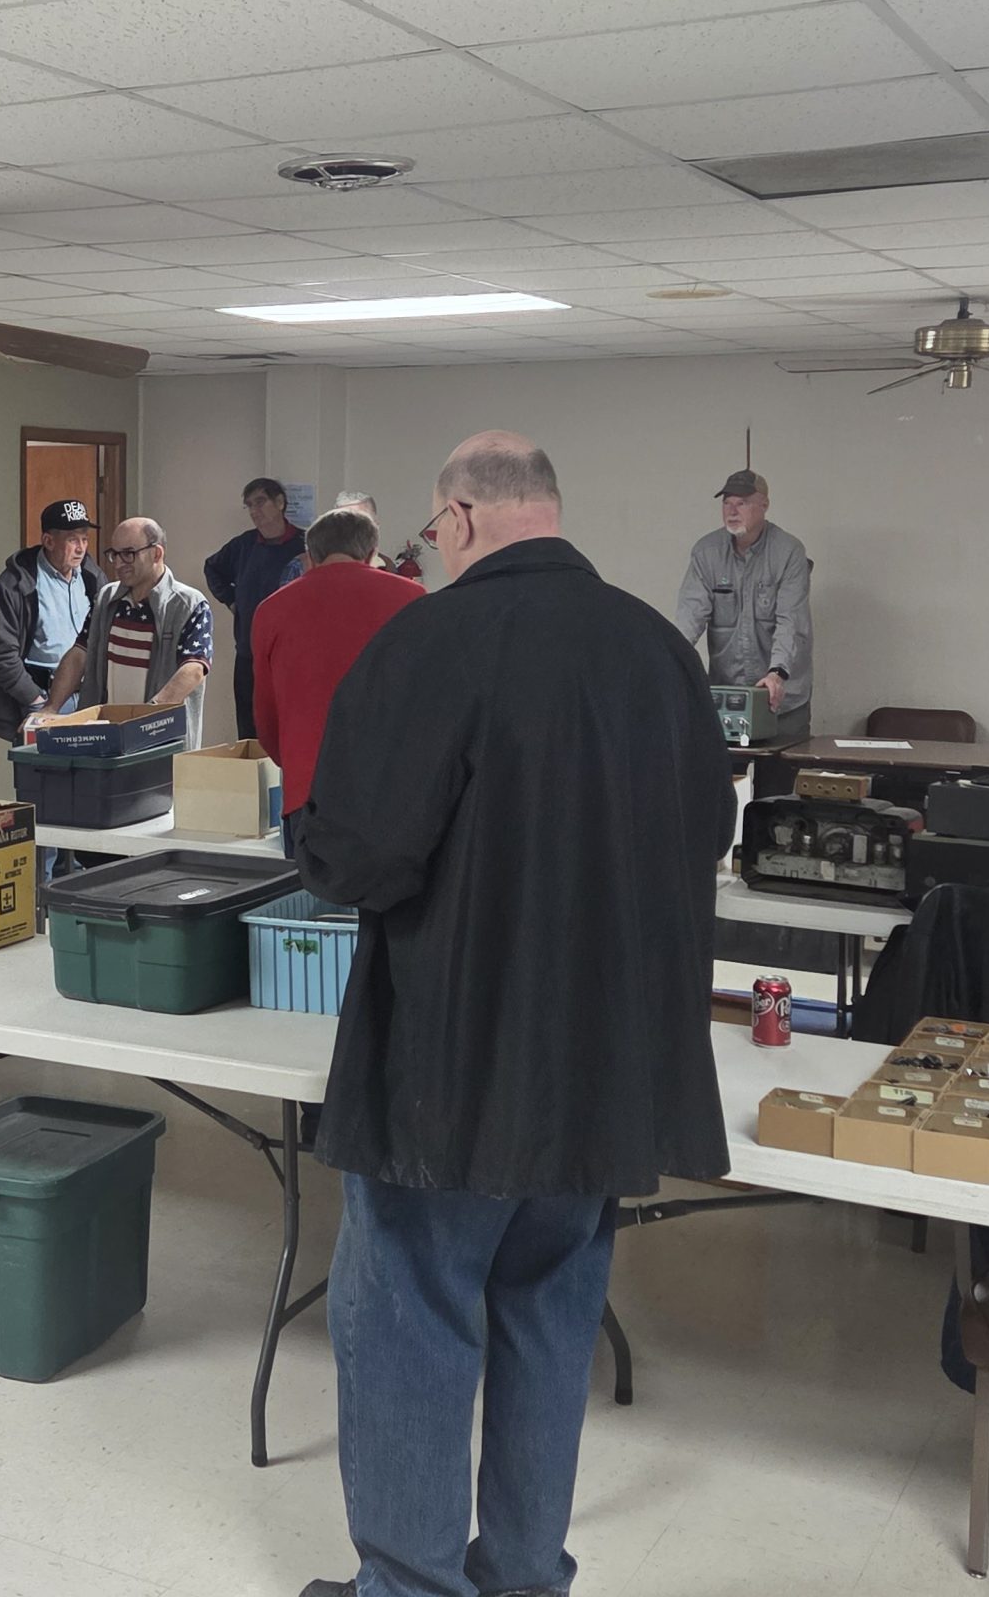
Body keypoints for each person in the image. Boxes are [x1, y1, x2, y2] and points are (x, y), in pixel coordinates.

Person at [291, 430, 733, 1597]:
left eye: (435, 531)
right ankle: (526, 1575)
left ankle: (410, 1588)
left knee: (411, 1322)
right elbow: (708, 832)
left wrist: (310, 837)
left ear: (460, 519)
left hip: (451, 1067)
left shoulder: (428, 642)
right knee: (548, 1319)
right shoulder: (657, 651)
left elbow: (362, 854)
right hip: (605, 1066)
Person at [251, 507, 422, 850]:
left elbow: (266, 716)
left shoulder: (272, 609)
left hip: (308, 786)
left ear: (311, 555)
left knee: (305, 885)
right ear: (372, 553)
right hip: (394, 786)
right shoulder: (413, 600)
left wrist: (294, 761)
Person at [37, 516, 214, 746]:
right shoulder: (106, 598)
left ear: (156, 553)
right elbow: (80, 653)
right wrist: (52, 708)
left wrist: (147, 718)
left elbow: (193, 670)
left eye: (129, 554)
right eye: (115, 554)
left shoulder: (188, 604)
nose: (118, 563)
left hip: (159, 742)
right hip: (104, 739)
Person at [673, 466, 812, 723]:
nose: (732, 511)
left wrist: (776, 674)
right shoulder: (706, 553)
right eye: (727, 503)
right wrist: (670, 659)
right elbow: (690, 616)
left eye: (742, 503)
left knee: (785, 750)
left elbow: (791, 623)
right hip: (727, 697)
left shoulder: (788, 552)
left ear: (764, 505)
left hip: (781, 699)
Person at [0, 499, 103, 745]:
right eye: (73, 540)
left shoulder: (93, 576)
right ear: (48, 541)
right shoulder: (16, 583)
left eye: (84, 539)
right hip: (42, 696)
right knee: (43, 769)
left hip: (88, 697)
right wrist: (35, 700)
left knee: (90, 768)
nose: (81, 548)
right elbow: (0, 651)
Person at [203, 477, 303, 739]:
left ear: (280, 502)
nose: (254, 511)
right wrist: (232, 600)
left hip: (289, 657)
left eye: (260, 502)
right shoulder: (244, 545)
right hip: (249, 654)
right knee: (249, 731)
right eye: (249, 505)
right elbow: (212, 568)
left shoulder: (305, 545)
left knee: (287, 728)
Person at [278, 492, 423, 586]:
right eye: (344, 521)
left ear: (376, 525)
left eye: (362, 521)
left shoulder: (388, 566)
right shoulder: (299, 567)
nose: (352, 528)